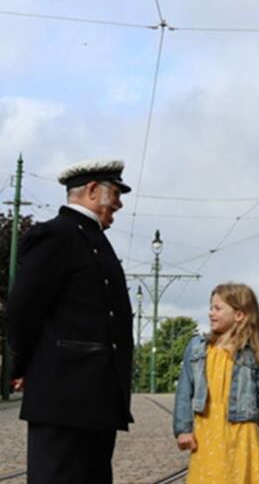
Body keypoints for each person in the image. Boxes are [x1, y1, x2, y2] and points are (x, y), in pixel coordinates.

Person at [7, 158, 134, 484]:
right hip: (63, 395)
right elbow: (24, 308)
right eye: (116, 193)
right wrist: (20, 365)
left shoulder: (93, 238)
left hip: (97, 398)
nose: (119, 203)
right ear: (92, 190)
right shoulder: (55, 235)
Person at [173, 283, 259, 484]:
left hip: (241, 436)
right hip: (207, 433)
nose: (211, 313)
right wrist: (183, 429)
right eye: (211, 308)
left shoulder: (252, 354)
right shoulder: (197, 348)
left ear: (239, 316)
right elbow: (184, 392)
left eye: (217, 308)